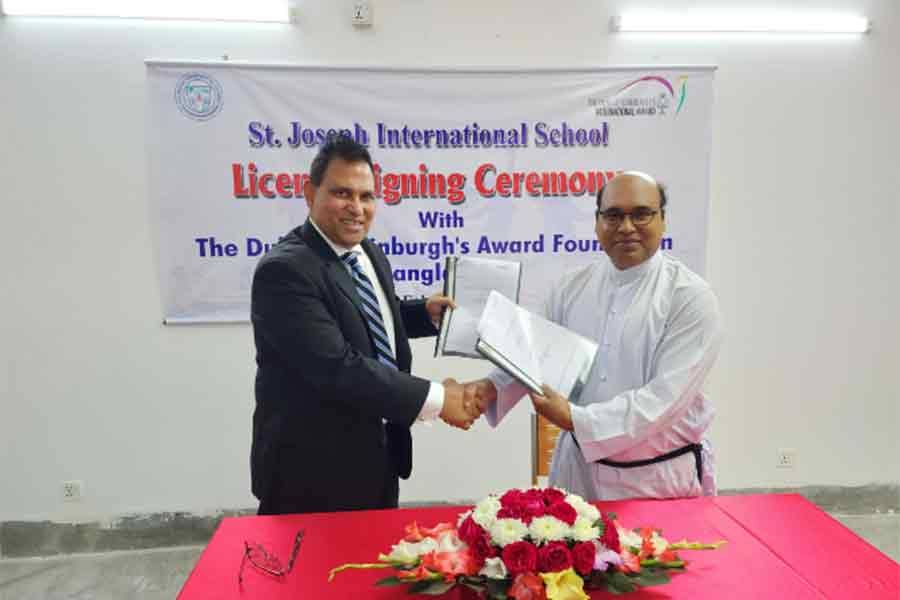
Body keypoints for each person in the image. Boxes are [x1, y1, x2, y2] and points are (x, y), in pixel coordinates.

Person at [250, 134, 480, 515]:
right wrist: (440, 399)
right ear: (310, 194)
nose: (356, 208)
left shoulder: (367, 252)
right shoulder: (286, 271)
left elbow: (366, 321)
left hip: (379, 459)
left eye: (366, 196)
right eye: (342, 193)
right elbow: (338, 367)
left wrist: (423, 314)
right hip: (309, 476)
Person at [467, 172, 722, 500]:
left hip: (657, 480)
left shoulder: (690, 298)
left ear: (663, 220)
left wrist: (576, 418)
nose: (626, 227)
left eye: (641, 214)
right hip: (578, 473)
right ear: (597, 222)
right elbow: (530, 354)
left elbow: (662, 401)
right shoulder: (572, 287)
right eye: (613, 215)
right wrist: (488, 389)